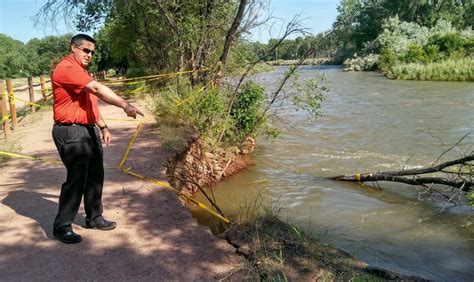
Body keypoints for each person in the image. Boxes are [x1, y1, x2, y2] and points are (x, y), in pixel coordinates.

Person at [51, 34, 143, 244]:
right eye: (85, 50)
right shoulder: (66, 68)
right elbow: (97, 89)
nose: (89, 55)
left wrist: (103, 126)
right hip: (70, 131)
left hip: (87, 129)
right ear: (73, 48)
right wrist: (125, 105)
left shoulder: (82, 72)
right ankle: (62, 226)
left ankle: (94, 217)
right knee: (76, 178)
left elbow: (89, 103)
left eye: (92, 52)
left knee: (95, 175)